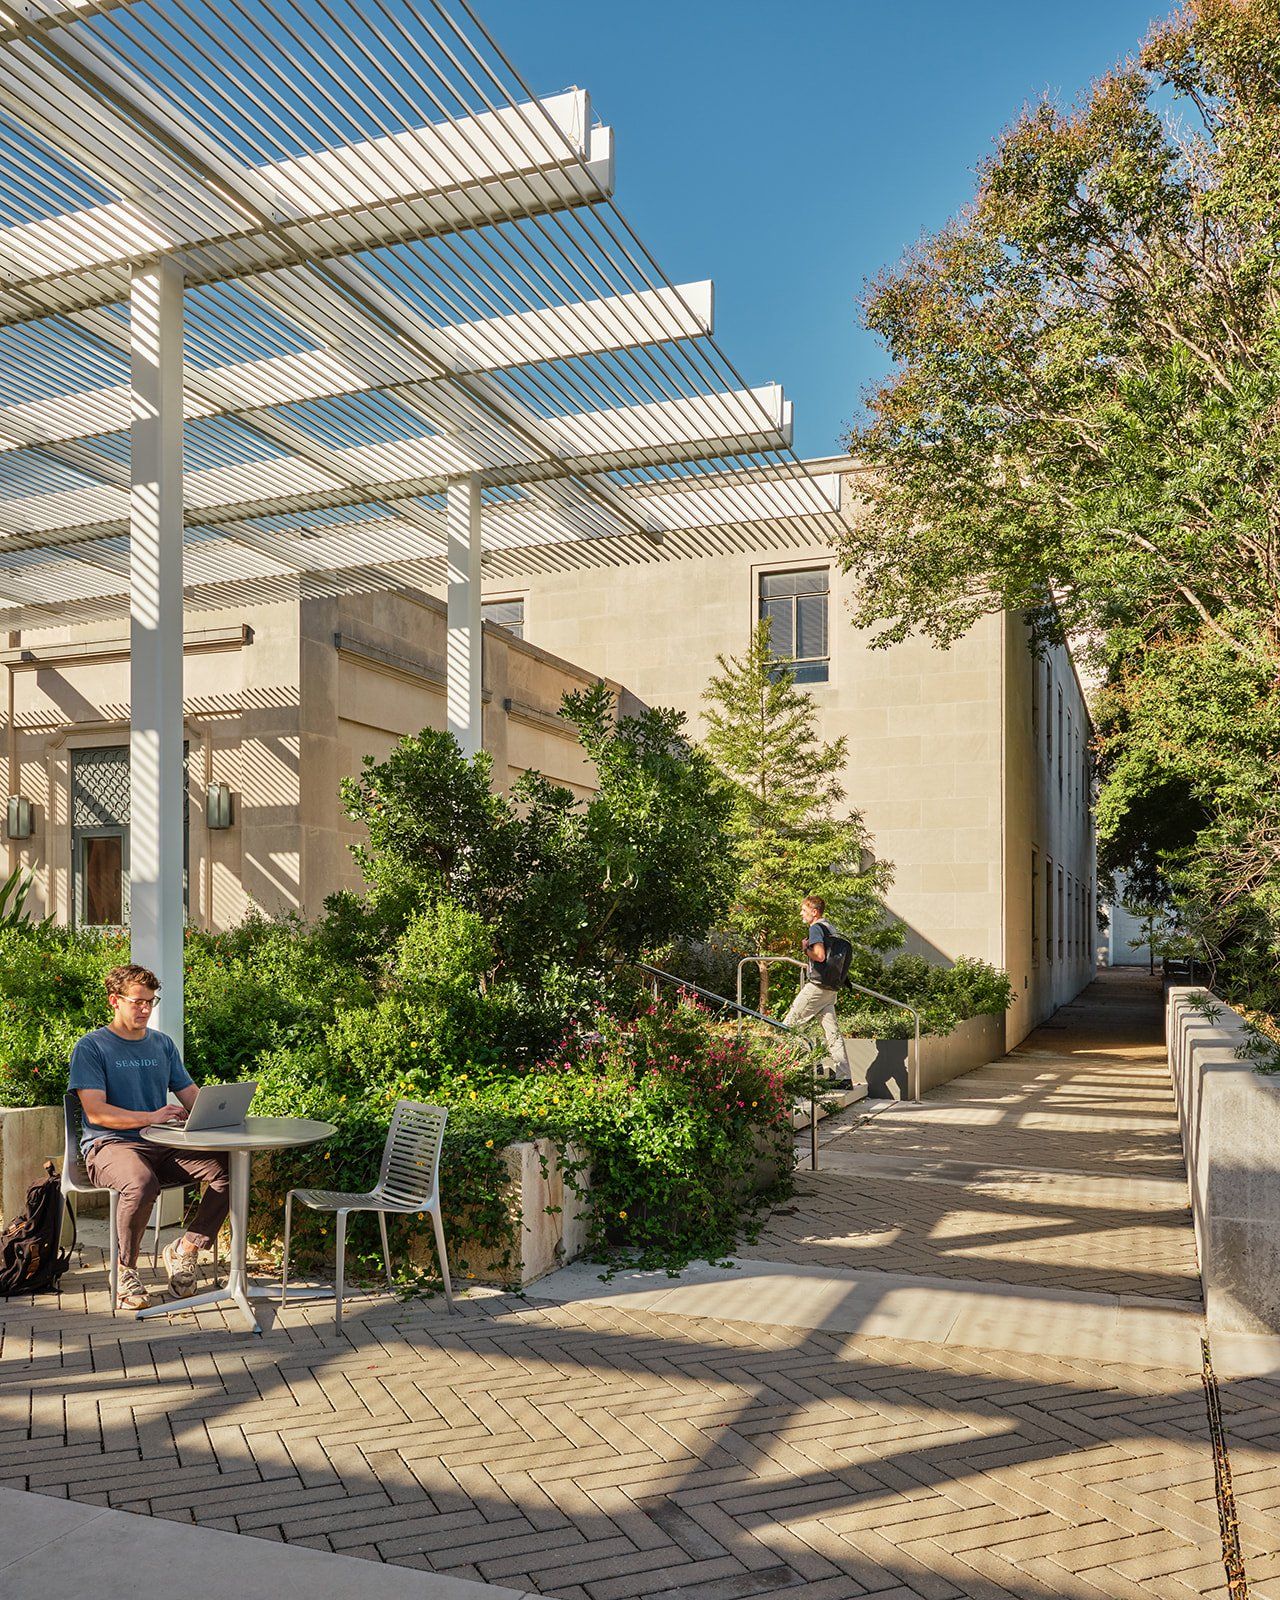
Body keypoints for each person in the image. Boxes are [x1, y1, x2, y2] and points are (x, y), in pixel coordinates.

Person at [69, 964, 229, 1312]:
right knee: (140, 1184)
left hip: (160, 1144)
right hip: (109, 1146)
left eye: (151, 1002)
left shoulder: (161, 1045)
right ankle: (125, 1269)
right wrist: (150, 1117)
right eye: (138, 1002)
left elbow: (188, 1093)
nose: (145, 1009)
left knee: (226, 1168)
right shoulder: (92, 1047)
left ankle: (185, 1249)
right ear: (115, 1000)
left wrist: (213, 1114)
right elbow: (95, 1112)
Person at [783, 894, 852, 1083]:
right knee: (833, 1033)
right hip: (831, 988)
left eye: (804, 911)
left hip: (817, 987)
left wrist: (805, 949)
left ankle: (813, 1065)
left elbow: (820, 956)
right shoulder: (831, 927)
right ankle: (844, 1078)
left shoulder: (815, 928)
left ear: (814, 912)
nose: (801, 914)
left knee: (787, 1026)